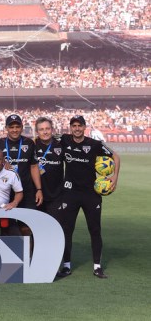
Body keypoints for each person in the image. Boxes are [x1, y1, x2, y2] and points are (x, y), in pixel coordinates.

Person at [57, 115, 121, 279]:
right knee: (66, 230)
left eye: (80, 125)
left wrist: (114, 177)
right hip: (69, 192)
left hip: (90, 194)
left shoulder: (94, 144)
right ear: (70, 128)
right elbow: (44, 141)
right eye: (74, 125)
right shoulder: (64, 140)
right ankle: (66, 266)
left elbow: (116, 156)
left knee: (95, 230)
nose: (77, 128)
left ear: (84, 127)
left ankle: (97, 267)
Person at [0, 114, 43, 238]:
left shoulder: (29, 143)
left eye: (17, 126)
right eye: (11, 127)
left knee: (27, 228)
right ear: (6, 128)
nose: (14, 130)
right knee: (6, 227)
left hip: (27, 192)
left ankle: (28, 256)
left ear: (21, 127)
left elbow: (34, 166)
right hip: (5, 192)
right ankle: (7, 256)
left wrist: (39, 189)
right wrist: (1, 164)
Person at [33, 117, 65, 224]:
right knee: (36, 229)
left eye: (47, 128)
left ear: (52, 129)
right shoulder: (31, 145)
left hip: (56, 195)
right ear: (37, 132)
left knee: (56, 227)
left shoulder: (61, 144)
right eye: (41, 129)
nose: (45, 132)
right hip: (36, 195)